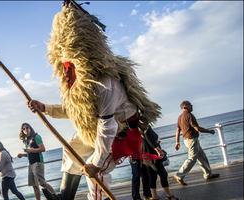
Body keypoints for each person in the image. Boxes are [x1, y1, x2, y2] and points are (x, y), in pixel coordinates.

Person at [27, 1, 161, 199]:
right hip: (96, 130)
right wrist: (45, 108)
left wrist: (96, 163)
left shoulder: (105, 83)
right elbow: (76, 109)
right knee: (72, 147)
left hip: (121, 133)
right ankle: (66, 196)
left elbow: (107, 129)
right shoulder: (80, 82)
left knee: (96, 174)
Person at [173, 100, 219, 186]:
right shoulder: (189, 115)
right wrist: (209, 131)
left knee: (202, 157)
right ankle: (179, 175)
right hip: (191, 140)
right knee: (192, 159)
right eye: (191, 105)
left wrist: (177, 142)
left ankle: (208, 174)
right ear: (185, 107)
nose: (192, 106)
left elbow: (178, 130)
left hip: (187, 140)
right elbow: (197, 128)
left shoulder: (180, 117)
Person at [17, 123, 57, 200]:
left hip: (38, 162)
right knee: (34, 186)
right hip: (31, 164)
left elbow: (43, 149)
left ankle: (56, 196)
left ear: (30, 128)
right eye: (23, 129)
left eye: (27, 127)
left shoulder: (36, 136)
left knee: (42, 183)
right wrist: (22, 155)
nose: (25, 129)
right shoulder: (26, 141)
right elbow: (29, 153)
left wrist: (32, 150)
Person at [141, 125, 179, 200]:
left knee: (153, 176)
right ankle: (169, 195)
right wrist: (158, 150)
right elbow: (150, 140)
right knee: (163, 174)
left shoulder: (141, 129)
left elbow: (148, 140)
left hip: (147, 155)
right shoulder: (146, 129)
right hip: (152, 155)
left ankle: (155, 196)